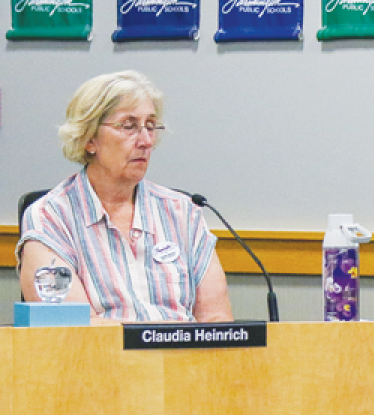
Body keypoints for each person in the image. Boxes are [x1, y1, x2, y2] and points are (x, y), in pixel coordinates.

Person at [16, 71, 233, 323]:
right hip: (99, 360)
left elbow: (217, 321)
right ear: (89, 138)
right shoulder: (50, 216)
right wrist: (158, 339)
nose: (146, 141)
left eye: (150, 126)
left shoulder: (182, 212)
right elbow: (72, 328)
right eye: (128, 126)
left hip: (186, 360)